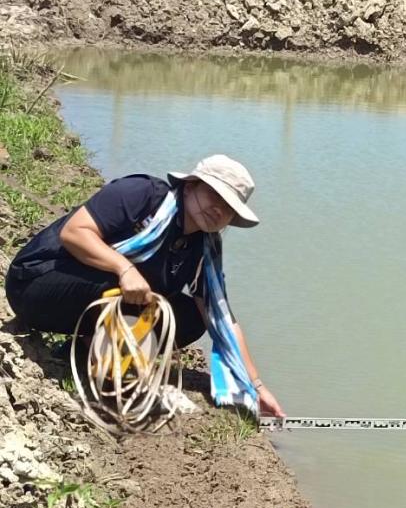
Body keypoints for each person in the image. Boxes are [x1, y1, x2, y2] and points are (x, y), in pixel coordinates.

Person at [4, 154, 285, 418]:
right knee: (118, 287)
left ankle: (84, 354)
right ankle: (122, 384)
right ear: (190, 187)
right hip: (36, 285)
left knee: (188, 318)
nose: (218, 209)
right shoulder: (142, 195)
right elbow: (74, 232)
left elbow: (221, 318)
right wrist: (124, 268)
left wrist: (257, 387)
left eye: (228, 209)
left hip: (93, 305)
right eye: (214, 195)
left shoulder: (203, 248)